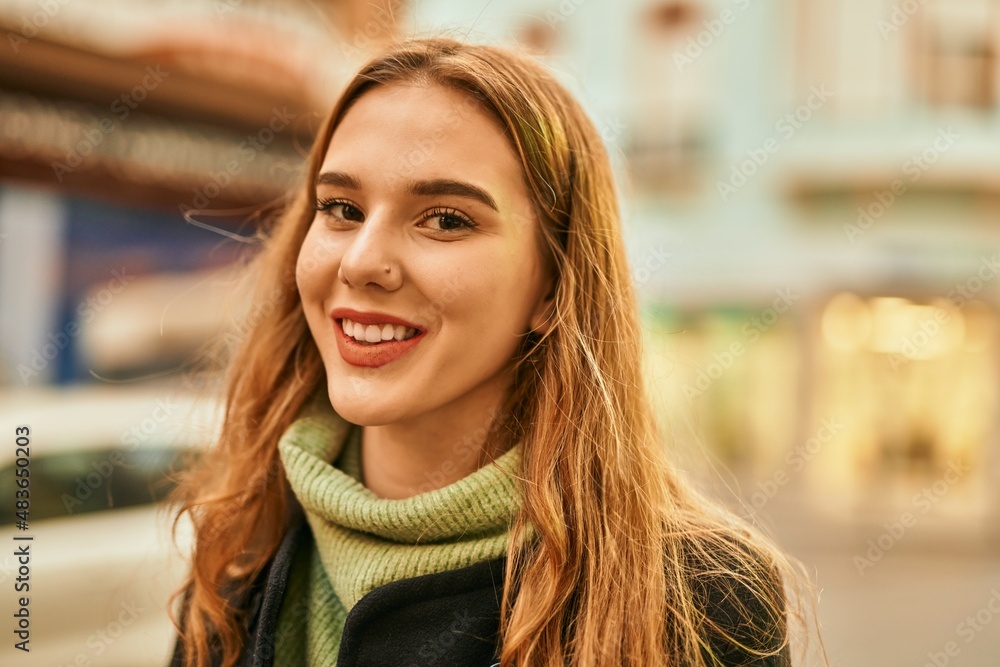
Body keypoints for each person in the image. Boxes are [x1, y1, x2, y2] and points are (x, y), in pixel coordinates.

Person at [169, 36, 818, 667]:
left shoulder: (704, 594)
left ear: (553, 285)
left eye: (446, 219)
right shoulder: (240, 539)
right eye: (341, 207)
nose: (363, 261)